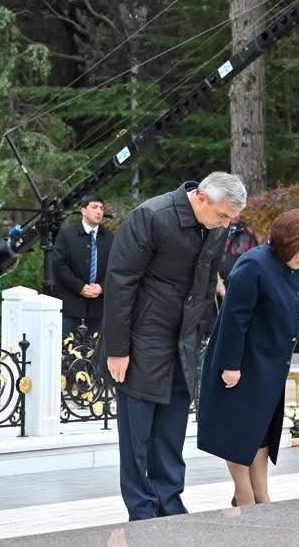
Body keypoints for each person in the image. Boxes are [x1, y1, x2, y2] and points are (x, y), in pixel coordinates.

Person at [102, 171, 247, 520]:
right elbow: (120, 283)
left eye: (231, 218)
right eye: (223, 215)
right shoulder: (151, 216)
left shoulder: (214, 228)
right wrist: (117, 349)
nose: (226, 224)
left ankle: (169, 502)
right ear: (202, 198)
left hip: (183, 343)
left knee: (171, 431)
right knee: (137, 435)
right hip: (142, 341)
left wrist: (208, 337)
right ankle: (141, 508)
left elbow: (206, 287)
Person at [198, 209, 299, 508]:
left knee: (261, 431)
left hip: (271, 364)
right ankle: (243, 494)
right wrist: (230, 366)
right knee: (239, 431)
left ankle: (261, 494)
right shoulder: (254, 265)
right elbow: (234, 319)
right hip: (243, 363)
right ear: (288, 242)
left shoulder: (296, 266)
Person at [52, 194, 114, 339]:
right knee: (68, 347)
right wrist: (80, 287)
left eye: (101, 208)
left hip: (98, 306)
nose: (99, 211)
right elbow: (59, 265)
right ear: (83, 211)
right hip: (71, 304)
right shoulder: (67, 234)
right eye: (94, 207)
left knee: (94, 348)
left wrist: (102, 287)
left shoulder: (110, 238)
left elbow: (115, 268)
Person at [215, 219, 260, 299]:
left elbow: (253, 261)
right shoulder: (216, 226)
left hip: (234, 285)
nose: (236, 215)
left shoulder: (247, 233)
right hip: (213, 280)